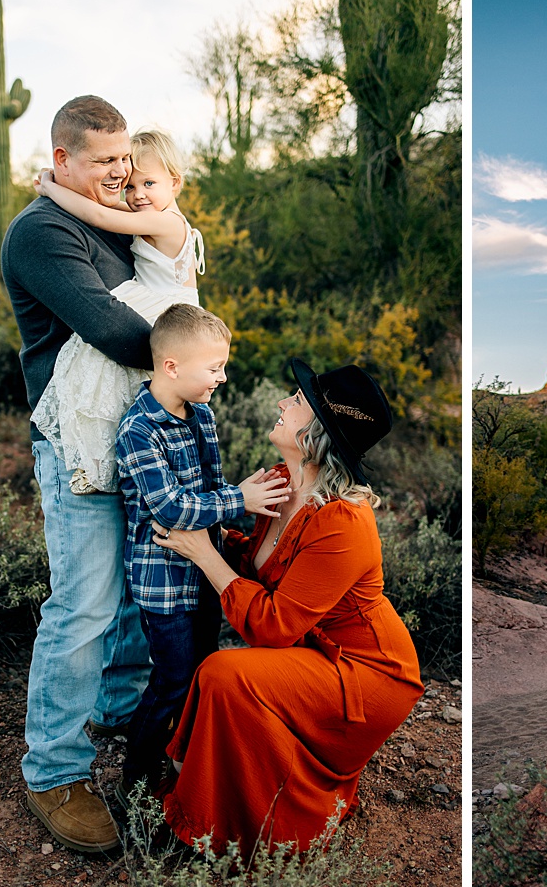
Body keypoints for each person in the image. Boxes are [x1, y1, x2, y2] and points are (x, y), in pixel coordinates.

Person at [151, 358, 424, 860]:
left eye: (297, 402)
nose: (282, 402)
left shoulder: (344, 520)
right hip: (320, 654)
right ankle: (209, 799)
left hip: (368, 674)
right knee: (226, 678)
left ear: (318, 431)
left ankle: (208, 831)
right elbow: (256, 564)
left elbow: (274, 626)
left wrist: (204, 554)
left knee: (227, 675)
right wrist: (212, 529)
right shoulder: (282, 481)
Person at [2, 95, 151, 853]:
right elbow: (116, 329)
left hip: (136, 432)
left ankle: (115, 711)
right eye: (103, 162)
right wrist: (192, 350)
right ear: (63, 161)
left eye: (125, 158)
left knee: (131, 587)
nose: (120, 173)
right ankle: (54, 768)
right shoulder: (41, 232)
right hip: (75, 442)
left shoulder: (113, 214)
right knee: (86, 599)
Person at [113, 304, 289, 803]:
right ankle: (137, 783)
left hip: (204, 574)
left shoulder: (202, 415)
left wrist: (241, 495)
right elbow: (168, 507)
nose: (223, 377)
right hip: (163, 581)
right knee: (171, 679)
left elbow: (210, 488)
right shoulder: (139, 430)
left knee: (205, 669)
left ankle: (190, 762)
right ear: (171, 366)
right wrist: (239, 499)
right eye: (214, 368)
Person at [32, 128, 205, 495]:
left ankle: (93, 461)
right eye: (130, 186)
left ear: (175, 182)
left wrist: (49, 188)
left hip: (165, 308)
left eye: (149, 184)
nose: (137, 194)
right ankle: (98, 459)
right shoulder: (152, 210)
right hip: (155, 302)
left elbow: (99, 214)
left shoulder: (167, 221)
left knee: (93, 360)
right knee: (107, 373)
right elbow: (106, 205)